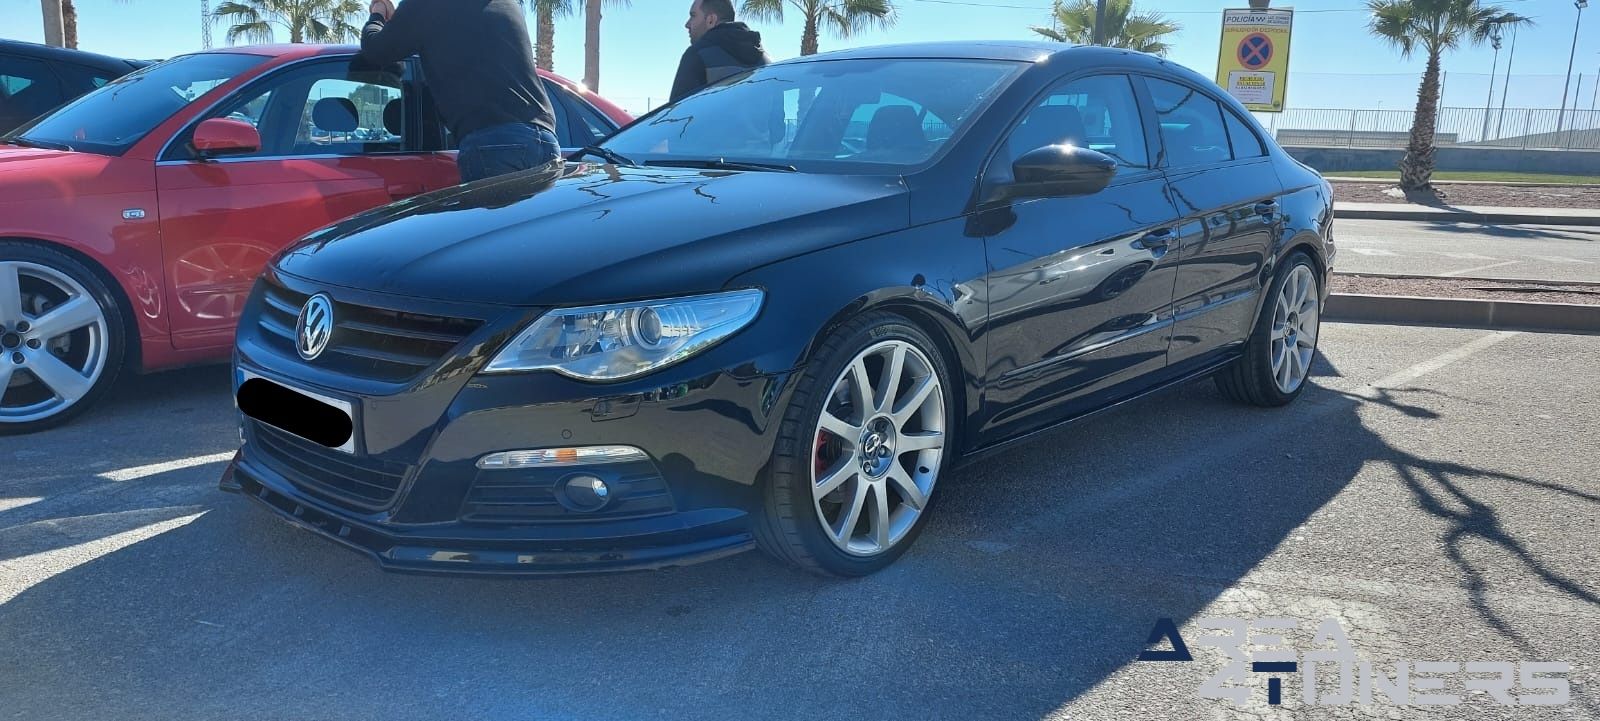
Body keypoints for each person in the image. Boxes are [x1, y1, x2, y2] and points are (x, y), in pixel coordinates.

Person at [359, 0, 560, 183]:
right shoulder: (506, 3)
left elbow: (377, 50)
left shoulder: (428, 5)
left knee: (493, 224)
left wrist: (378, 13)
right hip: (545, 140)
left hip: (493, 145)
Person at [670, 0, 770, 103]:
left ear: (711, 20)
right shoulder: (765, 57)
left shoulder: (697, 55)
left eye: (693, 15)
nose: (687, 24)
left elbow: (677, 114)